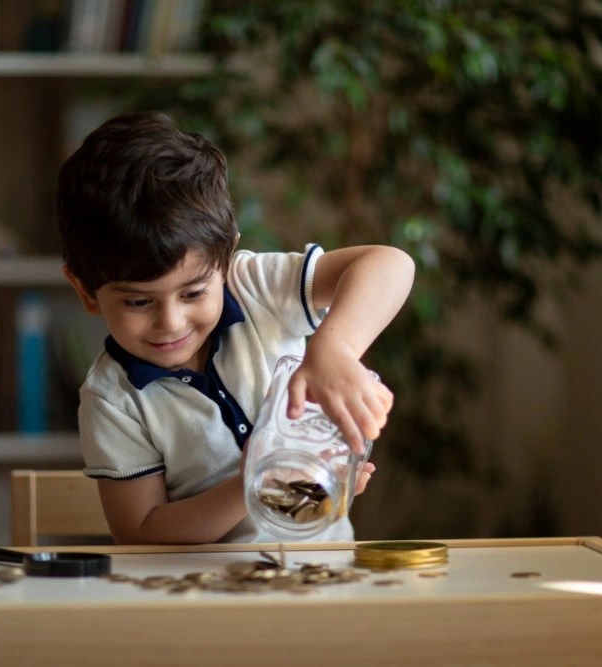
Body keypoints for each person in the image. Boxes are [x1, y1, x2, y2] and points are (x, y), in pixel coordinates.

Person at [56, 111, 414, 544]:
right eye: (138, 301)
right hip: (203, 598)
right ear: (86, 291)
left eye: (193, 293)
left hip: (322, 580)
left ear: (224, 263)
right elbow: (141, 533)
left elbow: (391, 264)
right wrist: (255, 482)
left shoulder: (253, 287)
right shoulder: (113, 398)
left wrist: (333, 350)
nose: (170, 322)